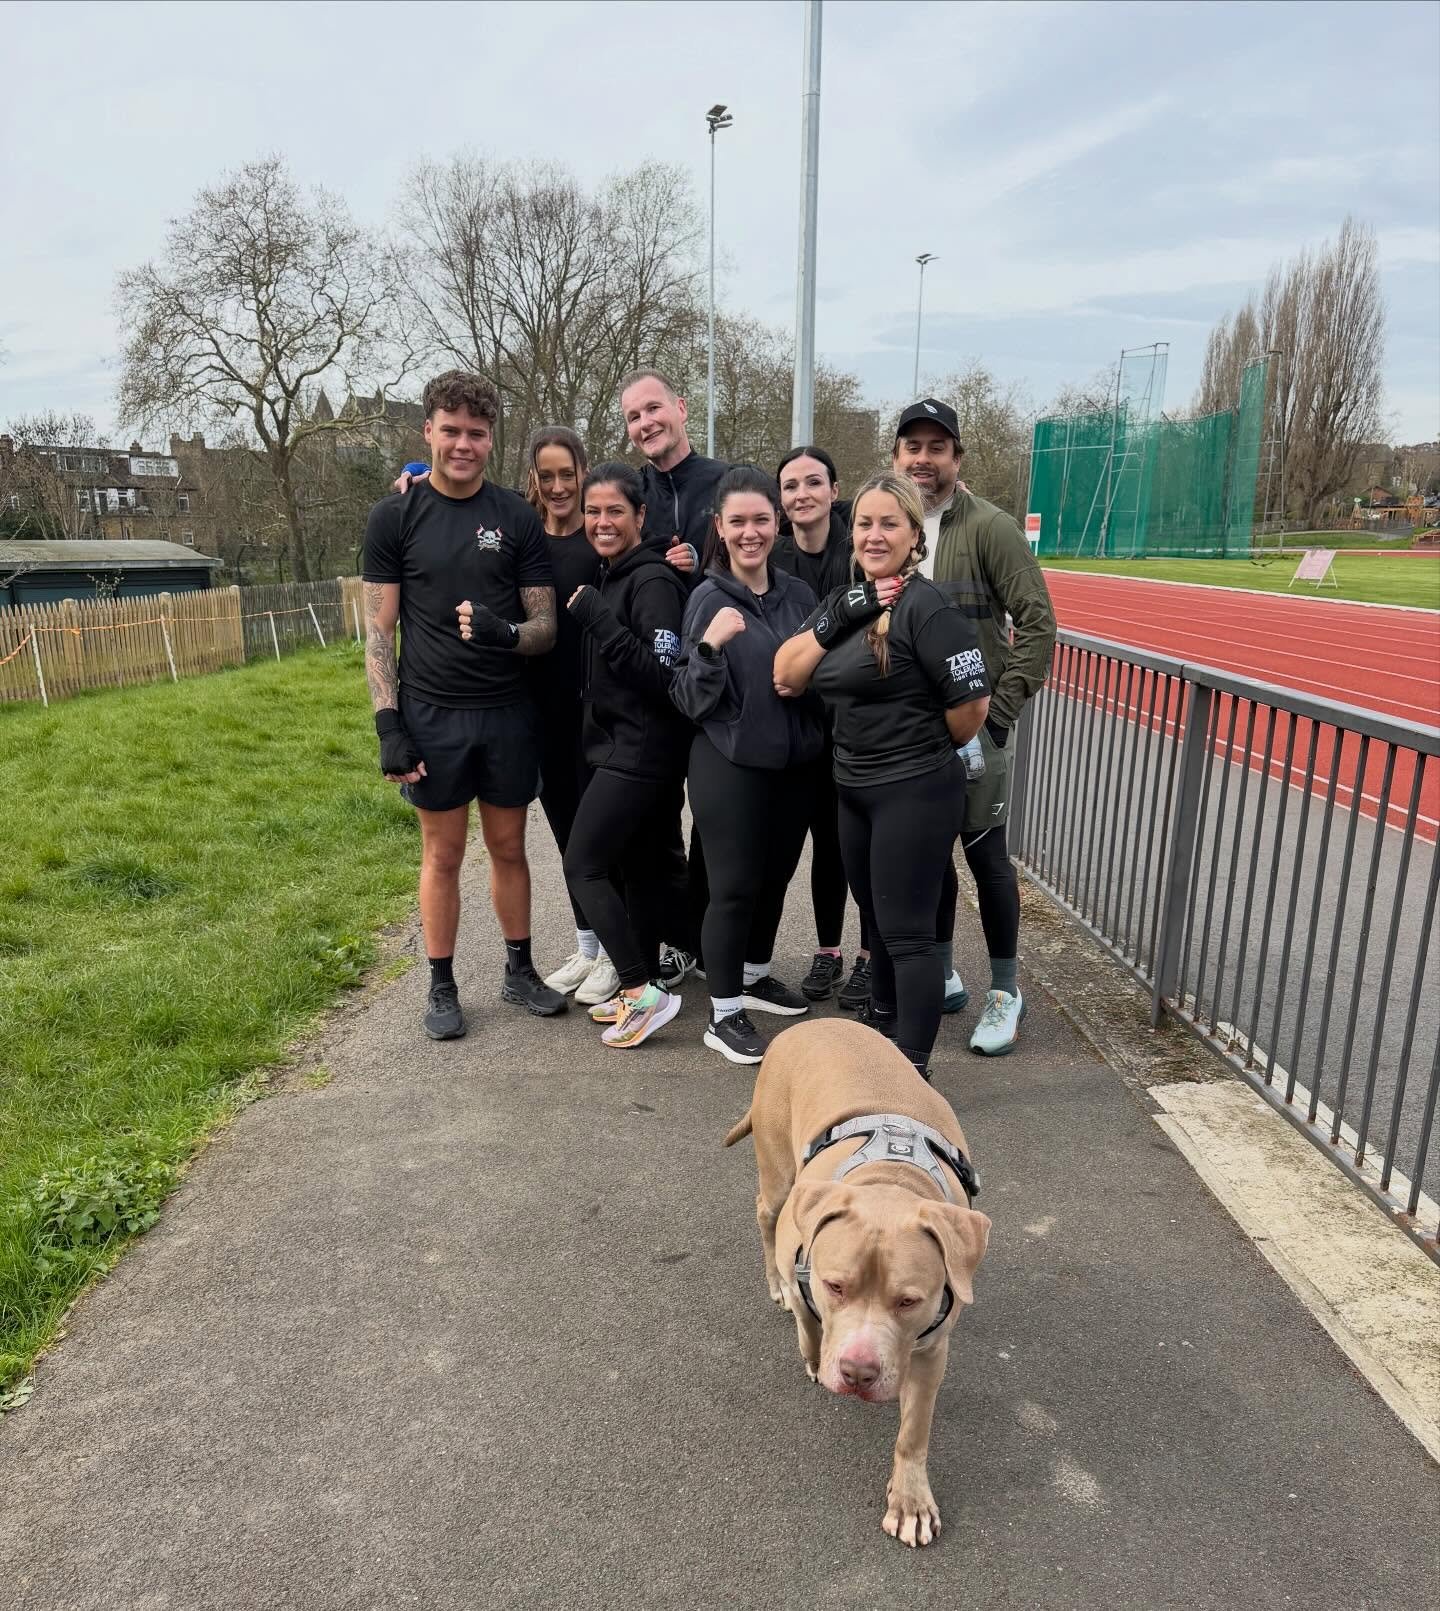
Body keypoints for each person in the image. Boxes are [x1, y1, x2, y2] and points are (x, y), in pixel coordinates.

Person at [362, 369, 565, 1041]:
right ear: (428, 430)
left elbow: (545, 629)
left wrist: (508, 632)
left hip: (506, 711)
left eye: (476, 433)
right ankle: (442, 985)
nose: (463, 444)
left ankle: (519, 969)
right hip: (433, 715)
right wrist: (388, 724)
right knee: (442, 853)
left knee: (509, 846)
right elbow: (378, 628)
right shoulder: (394, 516)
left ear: (490, 437)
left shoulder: (515, 517)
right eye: (450, 430)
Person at [773, 472, 990, 1079]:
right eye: (864, 523)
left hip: (914, 788)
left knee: (907, 933)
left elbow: (970, 710)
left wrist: (913, 756)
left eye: (888, 523)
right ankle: (885, 1032)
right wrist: (844, 609)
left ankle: (912, 1071)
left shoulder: (928, 607)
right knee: (876, 921)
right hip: (855, 789)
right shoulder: (847, 602)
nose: (874, 534)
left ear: (914, 535)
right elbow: (786, 673)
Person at [892, 399, 1057, 1055]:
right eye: (913, 446)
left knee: (985, 853)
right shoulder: (893, 525)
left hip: (974, 730)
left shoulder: (990, 527)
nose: (924, 458)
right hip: (912, 737)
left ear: (957, 458)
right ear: (897, 455)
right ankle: (944, 973)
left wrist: (999, 716)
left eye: (938, 447)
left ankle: (1005, 990)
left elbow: (1038, 624)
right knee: (929, 857)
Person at [670, 465, 824, 1065]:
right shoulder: (707, 598)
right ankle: (724, 1011)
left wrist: (807, 689)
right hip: (728, 764)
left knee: (775, 877)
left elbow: (821, 670)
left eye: (761, 519)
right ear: (720, 527)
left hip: (795, 765)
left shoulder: (800, 595)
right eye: (738, 522)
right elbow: (688, 698)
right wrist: (711, 647)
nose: (750, 532)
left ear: (777, 523)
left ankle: (756, 974)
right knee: (732, 888)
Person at [558, 461, 691, 1049]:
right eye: (593, 511)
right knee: (637, 870)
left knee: (583, 864)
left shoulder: (653, 582)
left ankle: (641, 989)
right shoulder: (610, 574)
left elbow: (661, 676)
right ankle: (645, 982)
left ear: (641, 515)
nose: (602, 522)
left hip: (640, 751)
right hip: (615, 747)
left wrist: (599, 620)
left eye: (616, 511)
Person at [618, 367, 729, 988]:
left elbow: (793, 517)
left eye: (653, 409)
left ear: (681, 408)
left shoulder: (725, 480)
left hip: (715, 683)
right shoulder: (630, 491)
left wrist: (699, 567)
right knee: (657, 824)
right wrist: (420, 480)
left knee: (713, 821)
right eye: (634, 417)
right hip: (655, 689)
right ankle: (673, 940)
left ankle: (708, 937)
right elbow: (562, 516)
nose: (646, 423)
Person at [514, 425, 621, 1010]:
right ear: (533, 477)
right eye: (546, 474)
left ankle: (614, 952)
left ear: (583, 471)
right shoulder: (526, 539)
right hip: (544, 715)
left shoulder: (599, 541)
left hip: (597, 717)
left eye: (567, 473)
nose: (558, 486)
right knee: (563, 835)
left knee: (596, 839)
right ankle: (586, 946)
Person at [772, 445, 872, 1009]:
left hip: (852, 727)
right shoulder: (777, 556)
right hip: (799, 731)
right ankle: (828, 950)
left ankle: (866, 956)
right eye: (790, 486)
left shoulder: (856, 552)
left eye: (813, 483)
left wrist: (808, 666)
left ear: (835, 491)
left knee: (854, 849)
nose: (801, 495)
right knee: (822, 848)